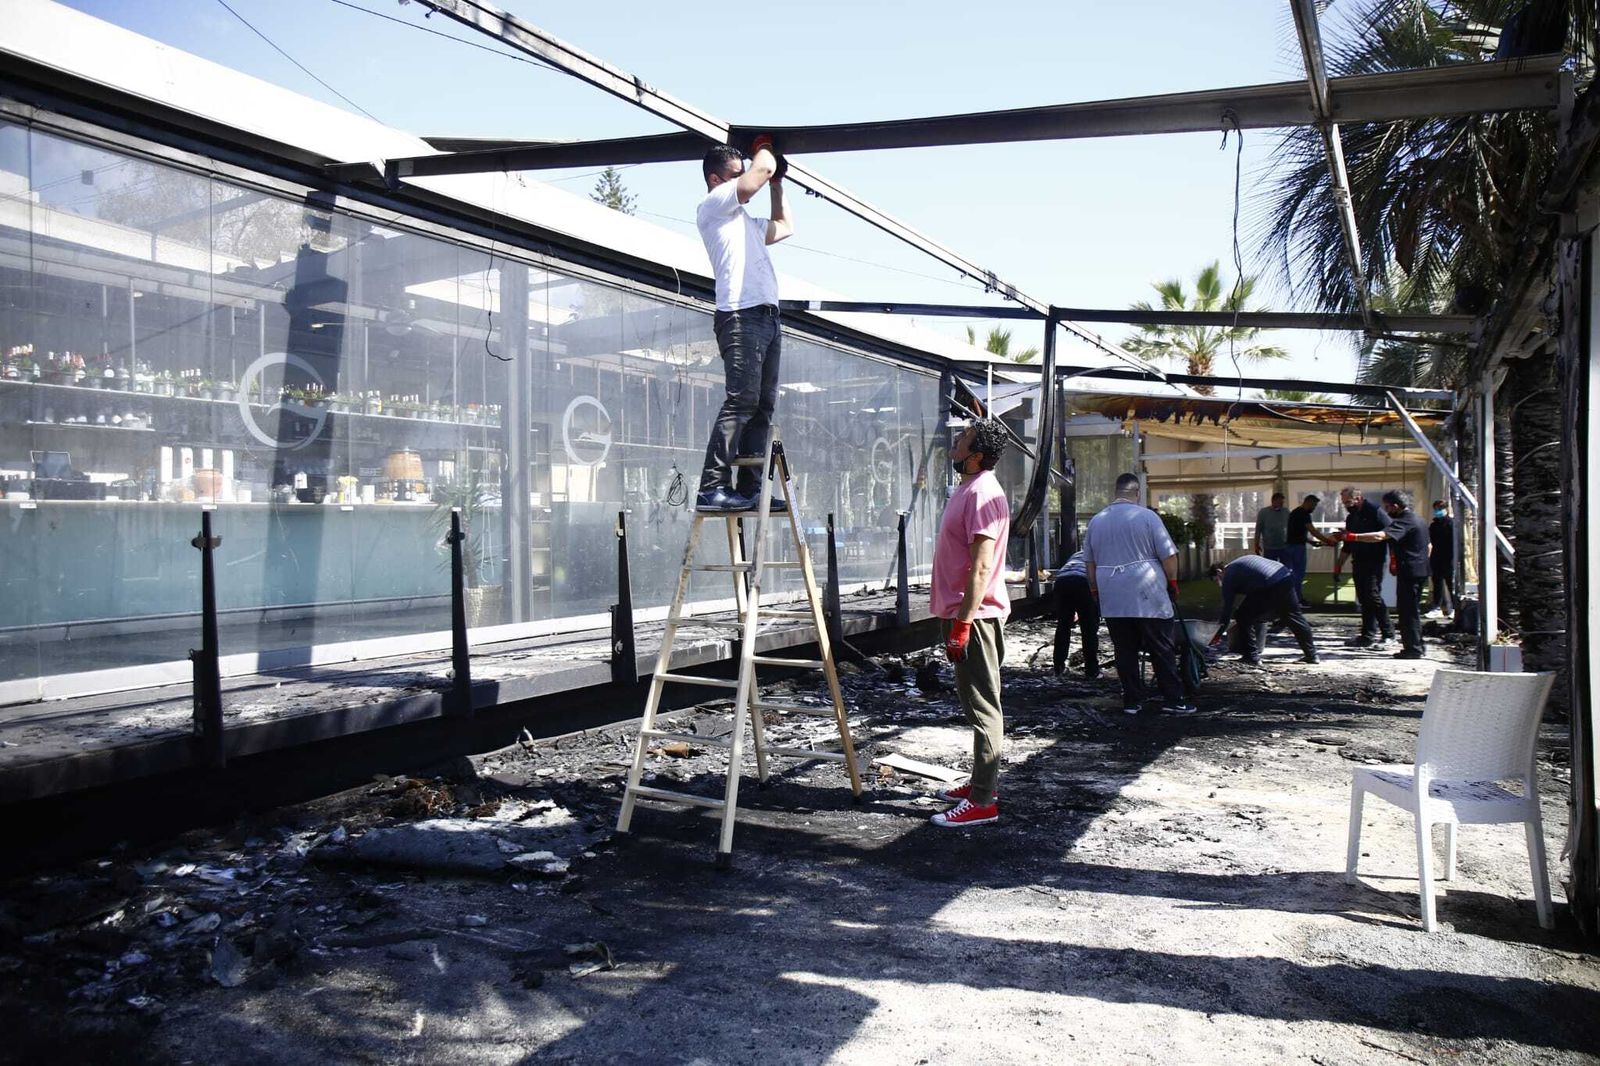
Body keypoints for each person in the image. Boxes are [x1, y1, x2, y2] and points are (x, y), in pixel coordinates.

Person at [693, 139, 794, 512]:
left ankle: (751, 487)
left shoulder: (746, 224)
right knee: (742, 400)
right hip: (740, 315)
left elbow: (785, 225)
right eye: (738, 173)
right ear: (717, 179)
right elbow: (757, 176)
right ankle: (711, 487)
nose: (748, 179)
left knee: (763, 405)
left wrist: (779, 183)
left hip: (767, 316)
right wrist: (765, 148)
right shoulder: (714, 205)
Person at [929, 418, 1011, 828]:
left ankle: (983, 802)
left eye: (962, 439)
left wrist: (962, 624)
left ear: (976, 455)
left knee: (983, 709)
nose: (955, 443)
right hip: (963, 613)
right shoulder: (969, 488)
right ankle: (982, 782)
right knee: (974, 703)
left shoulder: (983, 493)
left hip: (974, 616)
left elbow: (981, 567)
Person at [1082, 473, 1194, 716]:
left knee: (1124, 648)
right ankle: (1173, 699)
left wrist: (1094, 589)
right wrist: (1172, 582)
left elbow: (1089, 563)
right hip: (1146, 590)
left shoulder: (1097, 521)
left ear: (1116, 492)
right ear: (1136, 494)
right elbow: (1169, 555)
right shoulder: (1147, 517)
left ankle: (1132, 701)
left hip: (1112, 591)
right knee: (1161, 646)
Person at [1343, 489, 1430, 659]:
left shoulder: (1405, 521)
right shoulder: (1419, 519)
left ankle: (1413, 649)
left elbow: (1379, 536)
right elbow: (1429, 547)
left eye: (1388, 507)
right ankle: (1418, 644)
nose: (1386, 511)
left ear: (1396, 506)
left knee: (1407, 612)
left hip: (1409, 571)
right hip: (1419, 569)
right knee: (1413, 610)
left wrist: (1353, 537)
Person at [1207, 555, 1318, 666]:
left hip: (1269, 583)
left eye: (1217, 579)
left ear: (1219, 571)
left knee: (1242, 616)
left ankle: (1251, 656)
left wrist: (1217, 634)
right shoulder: (1239, 565)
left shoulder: (1229, 574)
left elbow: (1227, 609)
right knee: (1294, 616)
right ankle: (1312, 655)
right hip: (1284, 576)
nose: (1219, 583)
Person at [1333, 486, 1394, 647]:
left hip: (1374, 560)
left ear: (1358, 498)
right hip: (1358, 560)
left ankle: (1388, 633)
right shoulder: (1352, 517)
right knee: (1364, 598)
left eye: (1348, 502)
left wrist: (1394, 559)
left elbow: (1390, 534)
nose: (1346, 505)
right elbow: (1348, 544)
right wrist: (1338, 565)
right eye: (1344, 502)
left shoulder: (1375, 511)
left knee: (1373, 596)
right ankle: (1367, 635)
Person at [1282, 493, 1341, 605]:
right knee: (1298, 574)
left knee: (1291, 573)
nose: (1313, 509)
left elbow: (1296, 533)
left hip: (1290, 546)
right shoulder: (1304, 514)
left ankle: (1290, 598)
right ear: (1308, 502)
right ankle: (1296, 599)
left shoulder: (1294, 513)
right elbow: (1312, 530)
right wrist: (1328, 541)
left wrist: (1310, 541)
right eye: (1313, 506)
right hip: (1297, 547)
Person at [1052, 549, 1100, 679]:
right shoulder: (1102, 553)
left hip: (1062, 581)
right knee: (1089, 628)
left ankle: (1058, 667)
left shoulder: (1077, 553)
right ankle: (1091, 670)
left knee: (1063, 626)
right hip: (1083, 582)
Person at [1427, 500, 1455, 618]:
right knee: (1437, 582)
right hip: (1436, 557)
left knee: (1451, 584)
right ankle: (1437, 607)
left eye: (1440, 508)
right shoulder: (1434, 525)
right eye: (1436, 509)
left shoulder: (1451, 524)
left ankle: (1454, 608)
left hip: (1449, 557)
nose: (1437, 511)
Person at [1253, 492, 1290, 563]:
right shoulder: (1263, 512)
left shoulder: (1286, 511)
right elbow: (1258, 529)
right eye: (1280, 503)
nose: (1281, 505)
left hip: (1284, 546)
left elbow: (1291, 527)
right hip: (1269, 547)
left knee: (1286, 567)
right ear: (1273, 501)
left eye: (1282, 503)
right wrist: (1256, 544)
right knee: (1270, 568)